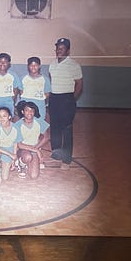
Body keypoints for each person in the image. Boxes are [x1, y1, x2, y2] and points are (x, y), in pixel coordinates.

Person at [47, 38, 83, 167]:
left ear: (68, 51)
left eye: (62, 49)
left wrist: (71, 99)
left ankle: (66, 160)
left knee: (66, 129)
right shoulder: (52, 64)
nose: (59, 51)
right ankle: (56, 154)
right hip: (54, 98)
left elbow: (79, 84)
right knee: (55, 127)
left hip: (67, 99)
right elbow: (51, 80)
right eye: (57, 48)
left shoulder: (74, 65)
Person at [15, 101, 50, 180]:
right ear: (22, 112)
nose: (29, 113)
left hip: (34, 147)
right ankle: (22, 163)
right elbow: (19, 145)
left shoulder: (39, 122)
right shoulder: (18, 124)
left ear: (34, 112)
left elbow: (46, 137)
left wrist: (35, 149)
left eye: (32, 110)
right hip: (23, 149)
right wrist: (36, 151)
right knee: (27, 157)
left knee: (34, 176)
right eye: (27, 110)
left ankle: (29, 163)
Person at [0, 106, 21, 188]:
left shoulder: (15, 128)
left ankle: (2, 164)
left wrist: (13, 159)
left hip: (9, 149)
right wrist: (10, 155)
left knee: (5, 177)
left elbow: (15, 143)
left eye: (4, 116)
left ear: (9, 117)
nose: (2, 118)